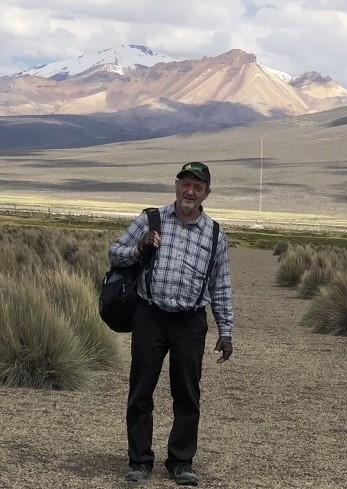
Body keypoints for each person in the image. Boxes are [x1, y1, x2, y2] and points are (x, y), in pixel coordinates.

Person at [108, 162, 234, 486]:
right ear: (176, 185)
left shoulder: (216, 234)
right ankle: (139, 461)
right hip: (150, 317)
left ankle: (180, 462)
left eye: (198, 186)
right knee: (140, 392)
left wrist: (226, 330)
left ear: (207, 193)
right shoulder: (152, 219)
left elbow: (221, 285)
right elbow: (115, 253)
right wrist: (139, 249)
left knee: (188, 394)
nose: (190, 191)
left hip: (190, 323)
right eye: (185, 184)